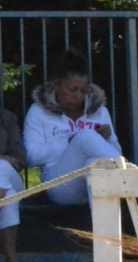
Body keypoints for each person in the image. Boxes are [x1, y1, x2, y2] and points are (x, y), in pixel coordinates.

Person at [23, 48, 123, 206]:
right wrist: (69, 141)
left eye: (84, 91)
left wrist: (108, 138)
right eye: (73, 89)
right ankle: (132, 178)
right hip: (58, 182)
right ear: (57, 85)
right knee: (86, 136)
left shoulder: (100, 111)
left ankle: (106, 230)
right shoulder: (38, 112)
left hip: (92, 179)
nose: (79, 96)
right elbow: (31, 156)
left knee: (96, 164)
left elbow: (116, 153)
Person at [0, 105, 27, 262]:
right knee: (7, 194)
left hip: (8, 174)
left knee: (0, 170)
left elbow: (20, 159)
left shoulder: (6, 117)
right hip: (5, 189)